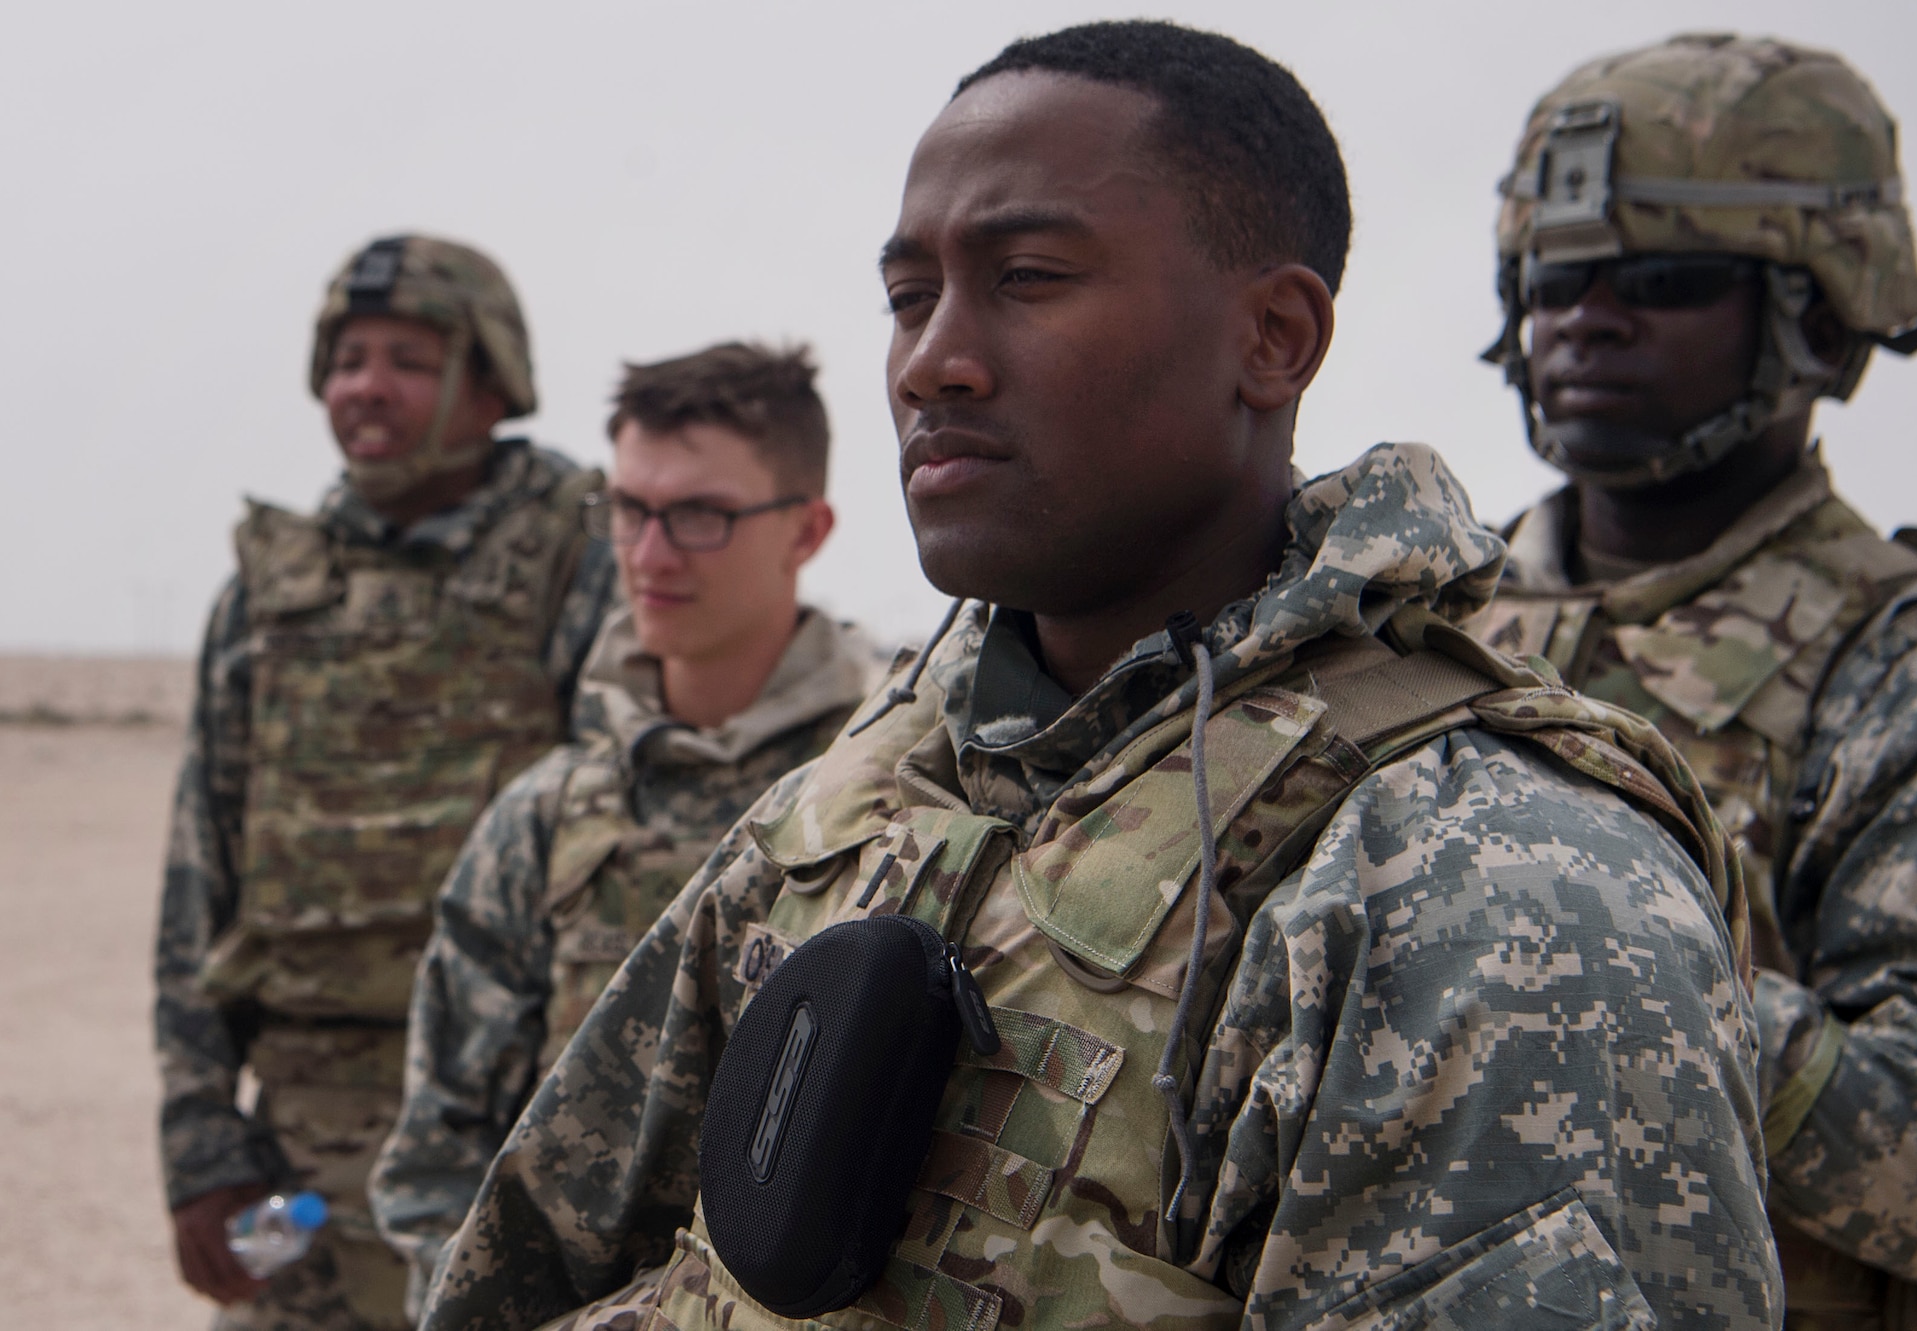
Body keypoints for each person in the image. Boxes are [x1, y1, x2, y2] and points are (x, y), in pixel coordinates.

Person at [423, 22, 1778, 1331]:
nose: (932, 361)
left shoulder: (1490, 881)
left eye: (1028, 278)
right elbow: (561, 1250)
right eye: (909, 296)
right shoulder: (878, 772)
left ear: (1273, 339)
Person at [1468, 33, 1917, 1328]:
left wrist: (1588, 950)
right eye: (1557, 278)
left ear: (1823, 313)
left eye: (1664, 280)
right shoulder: (1421, 617)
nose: (1588, 319)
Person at [154, 234, 620, 1330]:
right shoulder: (271, 592)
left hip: (501, 1143)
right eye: (349, 356)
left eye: (407, 359)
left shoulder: (578, 553)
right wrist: (198, 1136)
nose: (365, 385)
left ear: (491, 379)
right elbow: (198, 874)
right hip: (299, 1173)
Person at [367, 342, 882, 1318]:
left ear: (806, 529)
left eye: (698, 515)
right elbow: (443, 1149)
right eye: (627, 509)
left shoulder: (895, 792)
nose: (646, 555)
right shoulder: (549, 817)